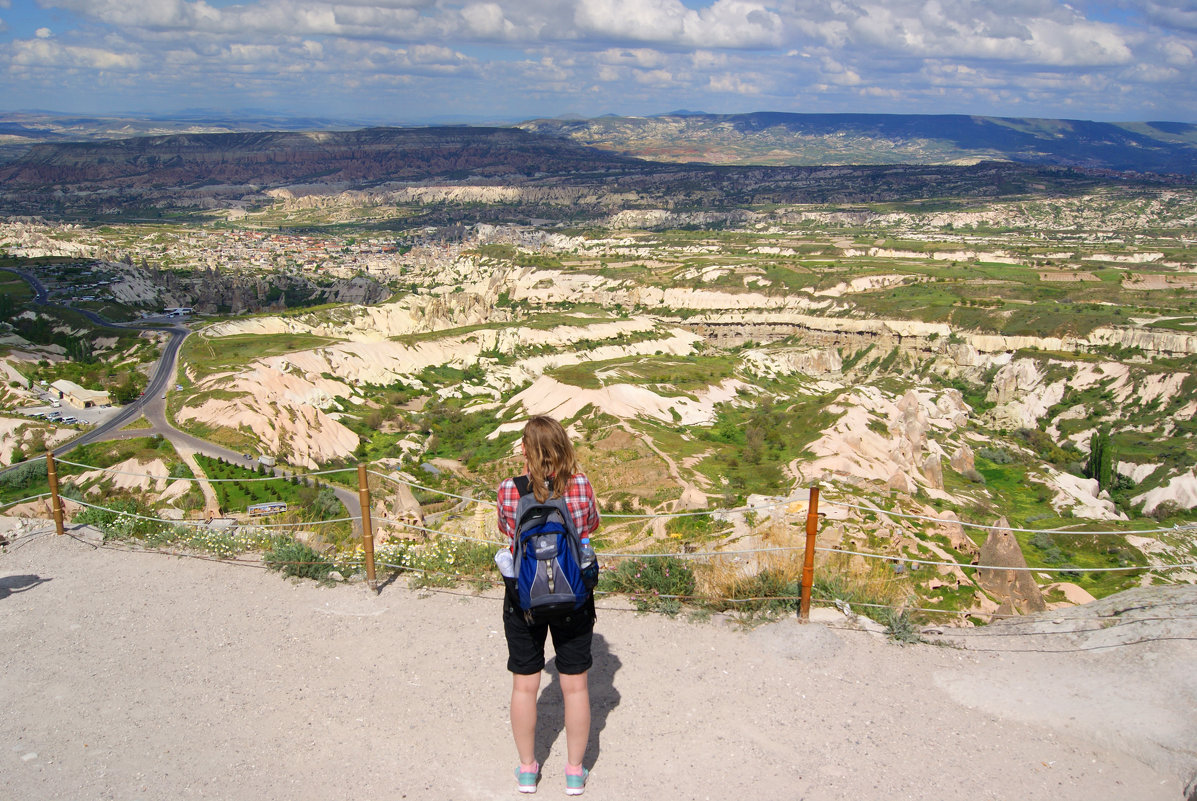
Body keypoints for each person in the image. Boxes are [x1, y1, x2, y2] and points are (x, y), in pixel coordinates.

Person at [497, 415, 600, 795]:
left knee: (525, 686)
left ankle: (527, 770)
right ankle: (574, 772)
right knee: (575, 688)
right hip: (573, 597)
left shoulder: (509, 489)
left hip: (524, 599)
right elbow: (590, 527)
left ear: (525, 450)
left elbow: (508, 531)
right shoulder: (581, 485)